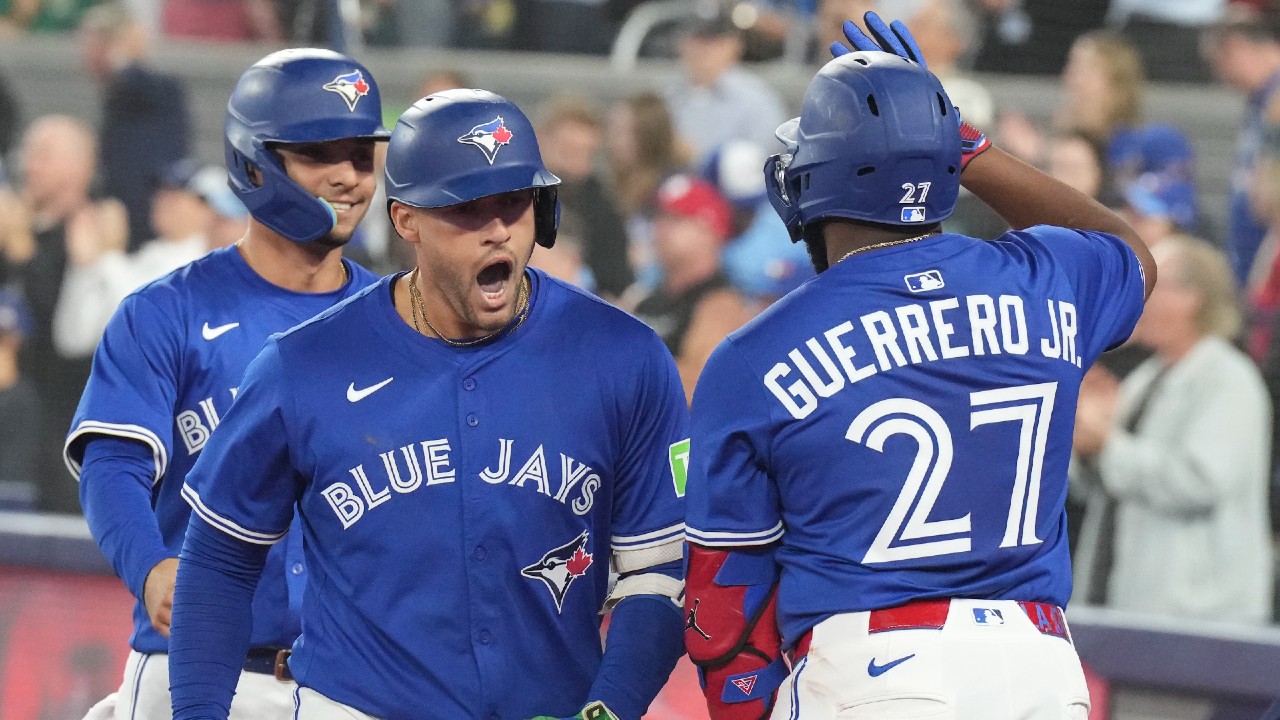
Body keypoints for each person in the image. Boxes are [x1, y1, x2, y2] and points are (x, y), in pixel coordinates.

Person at [682, 13, 1155, 720]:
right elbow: (1127, 249)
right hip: (1038, 668)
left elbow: (724, 597)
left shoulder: (754, 353)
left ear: (807, 183)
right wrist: (968, 146)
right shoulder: (1043, 276)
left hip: (870, 667)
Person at [167, 88, 689, 720]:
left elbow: (657, 572)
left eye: (514, 203)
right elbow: (220, 559)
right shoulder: (302, 366)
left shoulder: (623, 357)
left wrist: (609, 710)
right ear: (407, 220)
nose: (498, 229)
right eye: (468, 209)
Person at [64, 47, 390, 720]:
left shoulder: (399, 323)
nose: (348, 178)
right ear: (255, 162)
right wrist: (150, 565)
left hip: (349, 684)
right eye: (320, 154)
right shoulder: (167, 311)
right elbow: (113, 465)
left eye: (362, 156)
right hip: (197, 668)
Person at [1072, 234, 1273, 625]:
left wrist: (1106, 445)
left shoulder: (1229, 379)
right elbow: (1098, 485)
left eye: (1152, 287)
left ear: (1192, 297)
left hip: (1204, 617)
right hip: (1124, 603)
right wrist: (1084, 441)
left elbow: (1199, 481)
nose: (1138, 300)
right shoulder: (1145, 379)